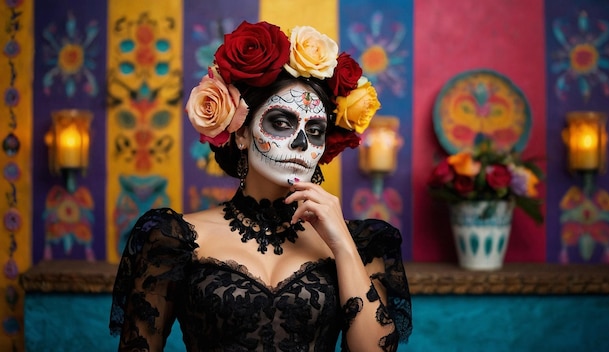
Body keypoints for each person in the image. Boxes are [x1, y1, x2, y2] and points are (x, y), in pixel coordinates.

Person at [109, 20, 412, 351]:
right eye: (281, 123)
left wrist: (342, 244)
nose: (300, 143)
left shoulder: (364, 243)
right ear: (241, 132)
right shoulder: (173, 238)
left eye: (314, 131)